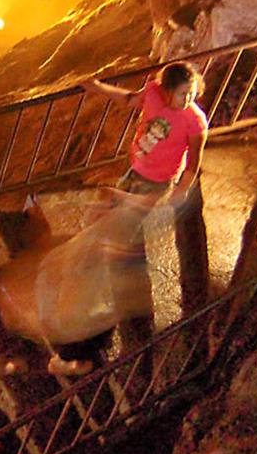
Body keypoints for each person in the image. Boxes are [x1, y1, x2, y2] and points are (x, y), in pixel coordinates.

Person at [83, 61, 210, 313]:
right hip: (136, 168)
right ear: (166, 91)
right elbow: (129, 99)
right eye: (183, 93)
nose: (189, 98)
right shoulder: (153, 93)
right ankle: (114, 277)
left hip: (158, 180)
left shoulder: (195, 122)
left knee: (124, 225)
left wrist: (182, 189)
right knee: (111, 217)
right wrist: (97, 87)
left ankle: (129, 296)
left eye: (192, 93)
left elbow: (194, 163)